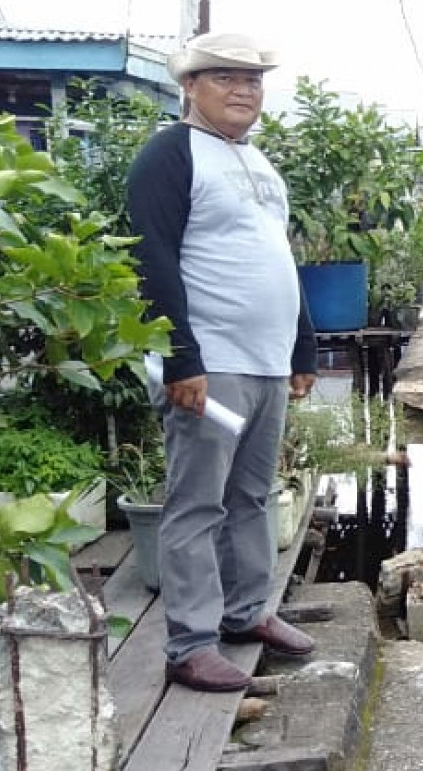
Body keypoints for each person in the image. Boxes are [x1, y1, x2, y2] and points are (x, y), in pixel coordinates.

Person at [128, 32, 318, 692]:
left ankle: (246, 614)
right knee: (196, 504)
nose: (243, 90)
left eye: (253, 80)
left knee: (253, 496)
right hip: (210, 364)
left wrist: (302, 344)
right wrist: (181, 357)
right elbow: (149, 257)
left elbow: (278, 260)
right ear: (189, 85)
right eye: (224, 78)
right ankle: (190, 643)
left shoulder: (258, 163)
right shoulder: (170, 154)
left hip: (265, 364)